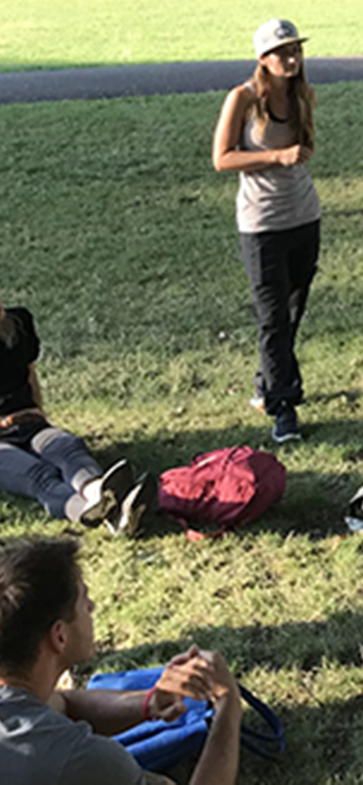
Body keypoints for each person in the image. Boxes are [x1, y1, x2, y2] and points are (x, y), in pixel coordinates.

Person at [0, 538, 243, 784]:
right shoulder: (81, 758)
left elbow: (63, 703)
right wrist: (228, 703)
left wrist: (151, 703)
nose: (92, 607)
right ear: (59, 636)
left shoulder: (19, 702)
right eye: (84, 599)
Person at [211, 19, 320, 444]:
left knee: (291, 314)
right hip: (262, 223)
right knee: (272, 317)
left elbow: (305, 150)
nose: (291, 59)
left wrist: (294, 156)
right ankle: (283, 407)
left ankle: (266, 382)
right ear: (263, 59)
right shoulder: (242, 98)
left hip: (305, 215)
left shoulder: (304, 96)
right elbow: (222, 159)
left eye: (296, 50)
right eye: (282, 52)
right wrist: (277, 156)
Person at [0, 300, 153, 536]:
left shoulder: (19, 323)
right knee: (38, 476)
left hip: (29, 423)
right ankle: (97, 512)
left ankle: (98, 492)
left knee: (67, 448)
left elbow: (30, 373)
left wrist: (39, 413)